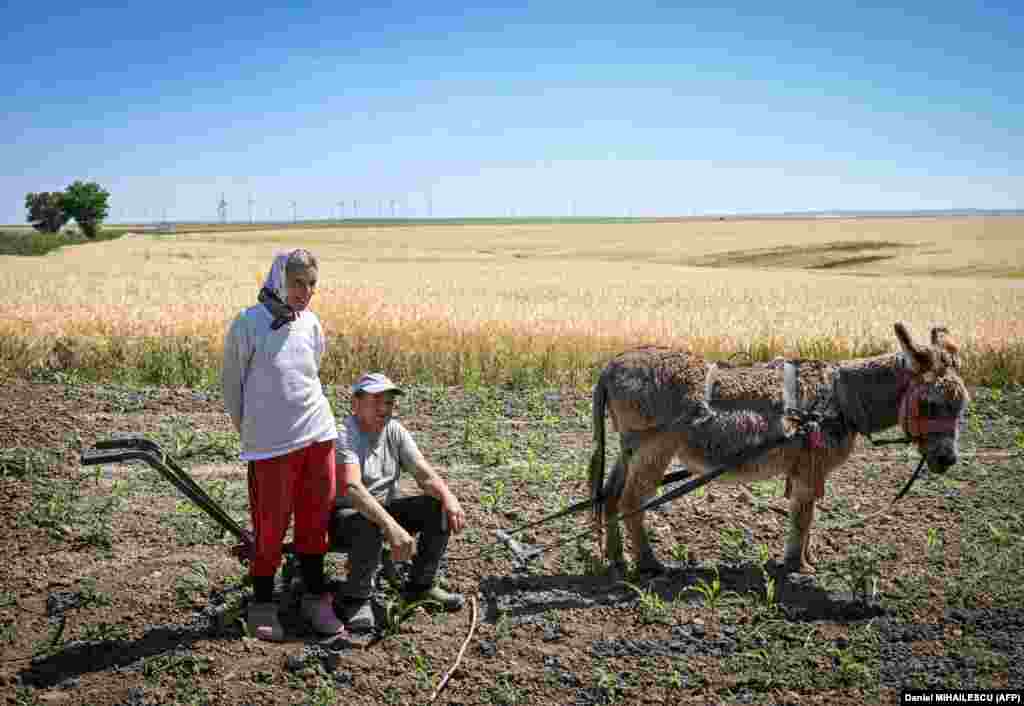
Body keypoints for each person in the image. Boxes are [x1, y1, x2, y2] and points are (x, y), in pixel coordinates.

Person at [221, 249, 346, 642]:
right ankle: (262, 603)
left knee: (315, 522)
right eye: (297, 283)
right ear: (279, 280)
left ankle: (314, 598)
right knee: (270, 528)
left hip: (318, 436)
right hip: (271, 446)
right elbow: (232, 387)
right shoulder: (248, 323)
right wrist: (255, 432)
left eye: (311, 284)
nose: (304, 292)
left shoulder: (310, 323)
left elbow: (312, 374)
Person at [330, 372, 467, 632]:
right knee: (368, 521)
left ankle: (421, 586)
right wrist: (391, 527)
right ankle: (356, 598)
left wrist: (449, 497)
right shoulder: (345, 434)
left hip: (383, 509)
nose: (385, 409)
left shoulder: (394, 429)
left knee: (436, 507)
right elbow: (353, 489)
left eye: (390, 403)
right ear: (356, 404)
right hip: (345, 517)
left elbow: (423, 473)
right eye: (376, 401)